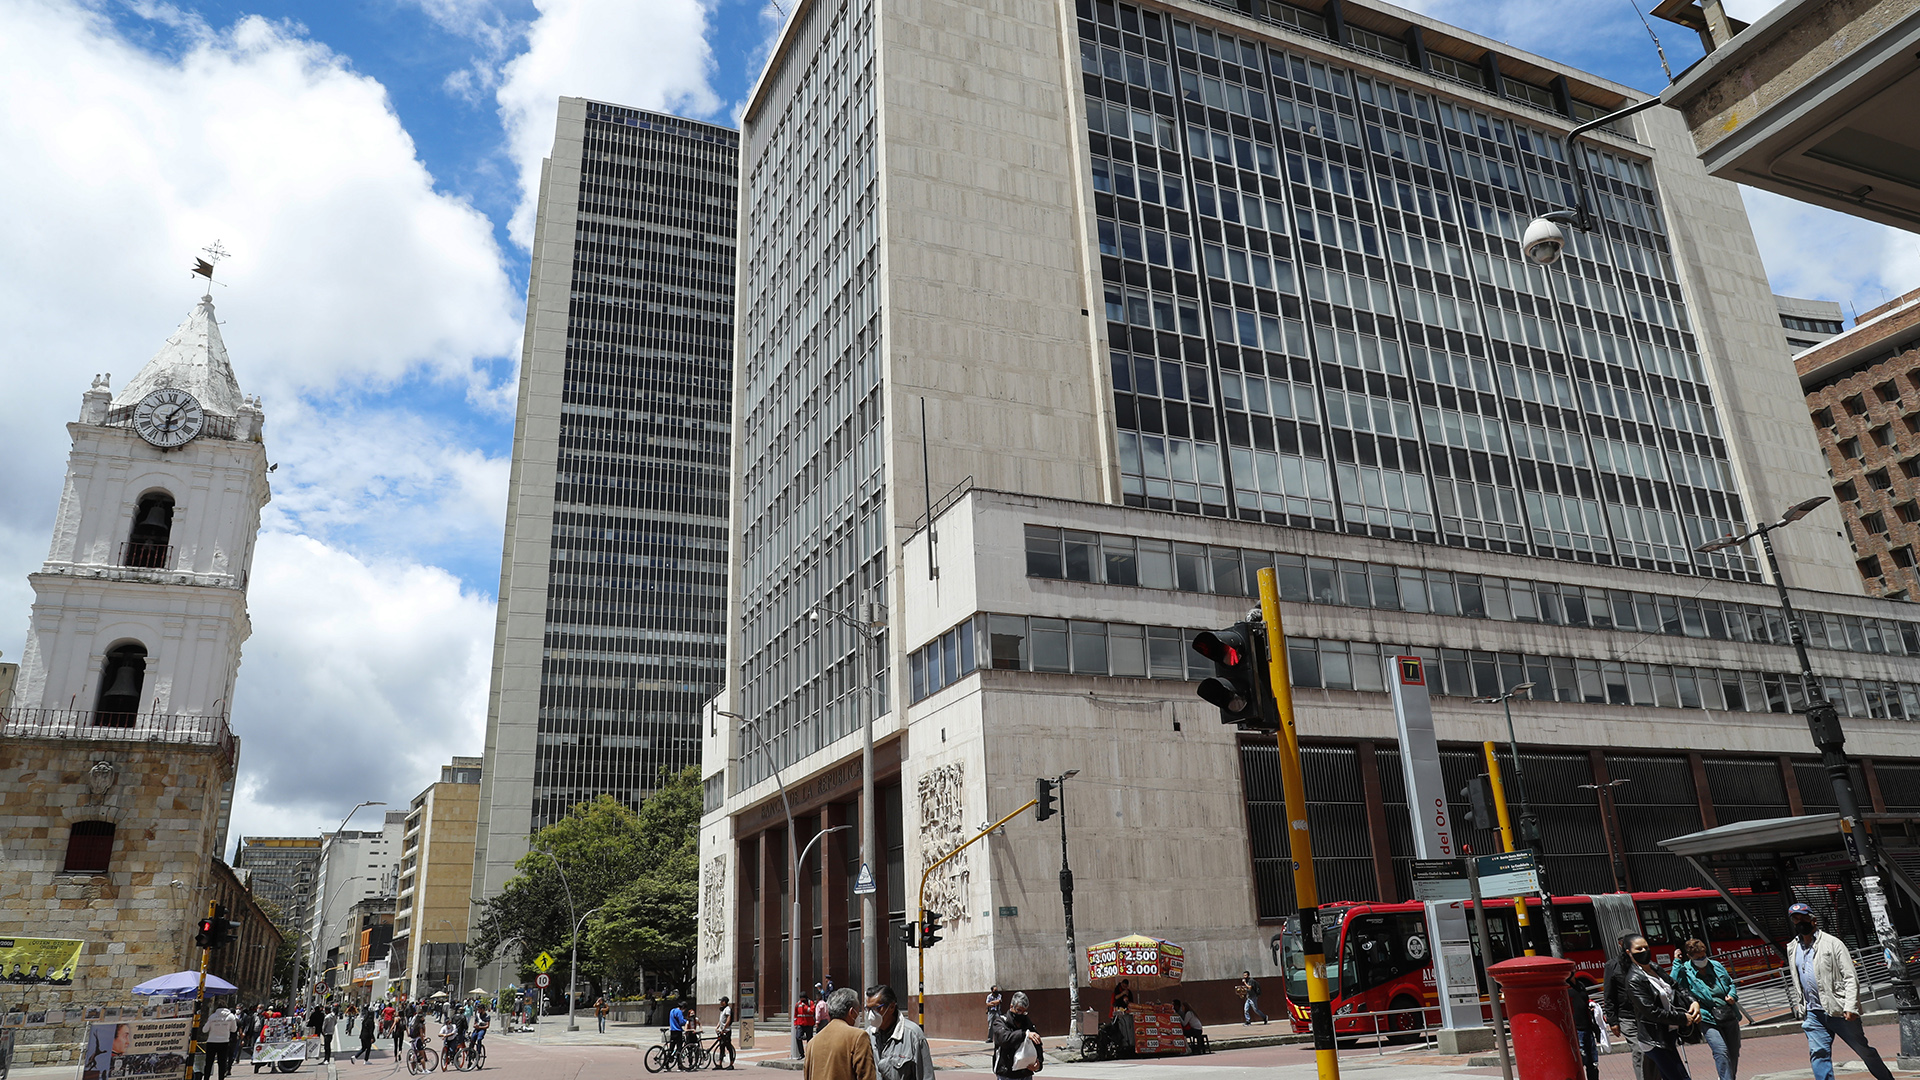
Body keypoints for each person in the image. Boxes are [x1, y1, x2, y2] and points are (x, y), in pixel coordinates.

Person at [1785, 902, 1896, 1080]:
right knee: (1818, 1053)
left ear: (1813, 919)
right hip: (1813, 1012)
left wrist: (1851, 1006)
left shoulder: (1832, 943)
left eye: (1804, 917)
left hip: (1838, 1009)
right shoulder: (1793, 947)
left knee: (1863, 1050)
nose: (1800, 922)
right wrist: (1801, 1005)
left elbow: (1850, 977)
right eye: (1796, 919)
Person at [1621, 933, 1700, 1080]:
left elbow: (1676, 986)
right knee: (1680, 1077)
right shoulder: (1634, 980)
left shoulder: (1655, 968)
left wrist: (1693, 1001)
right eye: (1639, 949)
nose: (1644, 951)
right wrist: (1682, 1018)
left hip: (1668, 1034)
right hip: (1654, 1040)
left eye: (1646, 947)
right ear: (1629, 952)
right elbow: (1651, 1012)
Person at [1671, 938, 1740, 1080]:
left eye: (1703, 956)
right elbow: (1673, 984)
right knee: (1721, 1052)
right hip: (1706, 1016)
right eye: (1698, 958)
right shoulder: (1685, 970)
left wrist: (1732, 995)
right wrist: (1676, 962)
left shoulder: (1716, 966)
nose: (1702, 959)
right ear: (1689, 956)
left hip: (1727, 1013)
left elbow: (1730, 983)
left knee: (1733, 1052)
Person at [1604, 933, 1661, 1080]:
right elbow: (1609, 994)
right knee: (1640, 1050)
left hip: (1647, 1015)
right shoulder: (1612, 965)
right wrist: (1613, 1021)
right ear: (1621, 945)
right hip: (1627, 1017)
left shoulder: (1644, 963)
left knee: (1654, 1050)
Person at [803, 988, 876, 1080]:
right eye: (858, 1011)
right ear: (852, 1012)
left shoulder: (812, 1042)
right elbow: (867, 1076)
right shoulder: (858, 1037)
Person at [867, 984, 935, 1080]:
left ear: (891, 1007)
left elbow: (926, 1076)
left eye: (876, 1008)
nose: (871, 1014)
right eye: (868, 1009)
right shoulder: (868, 1035)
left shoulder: (913, 1035)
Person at [990, 991, 1043, 1080]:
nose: (1021, 1014)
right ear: (1011, 1007)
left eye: (1024, 1012)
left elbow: (1037, 1044)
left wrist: (1038, 1064)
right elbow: (1004, 1039)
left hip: (1025, 1073)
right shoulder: (1000, 1022)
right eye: (1019, 1010)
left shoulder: (1027, 1022)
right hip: (1007, 1073)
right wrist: (1024, 1034)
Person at [1567, 976, 1601, 1080]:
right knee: (1580, 1060)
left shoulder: (1580, 985)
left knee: (1592, 1062)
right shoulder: (1565, 988)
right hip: (1576, 1029)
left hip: (1587, 1027)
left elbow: (1585, 1000)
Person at [206, 1005, 238, 1080]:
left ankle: (206, 1078)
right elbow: (234, 1029)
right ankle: (221, 1078)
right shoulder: (231, 1017)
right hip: (224, 1041)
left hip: (211, 1041)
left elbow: (205, 1029)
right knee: (222, 1063)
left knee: (209, 1062)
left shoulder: (212, 1017)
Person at [713, 995, 737, 1071]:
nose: (720, 1002)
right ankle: (719, 1064)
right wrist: (717, 1027)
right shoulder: (722, 1010)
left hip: (726, 1031)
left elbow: (728, 1020)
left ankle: (731, 1064)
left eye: (721, 1001)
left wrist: (724, 1028)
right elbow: (721, 1021)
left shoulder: (727, 1009)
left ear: (724, 1002)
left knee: (728, 1047)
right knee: (721, 1047)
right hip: (722, 1031)